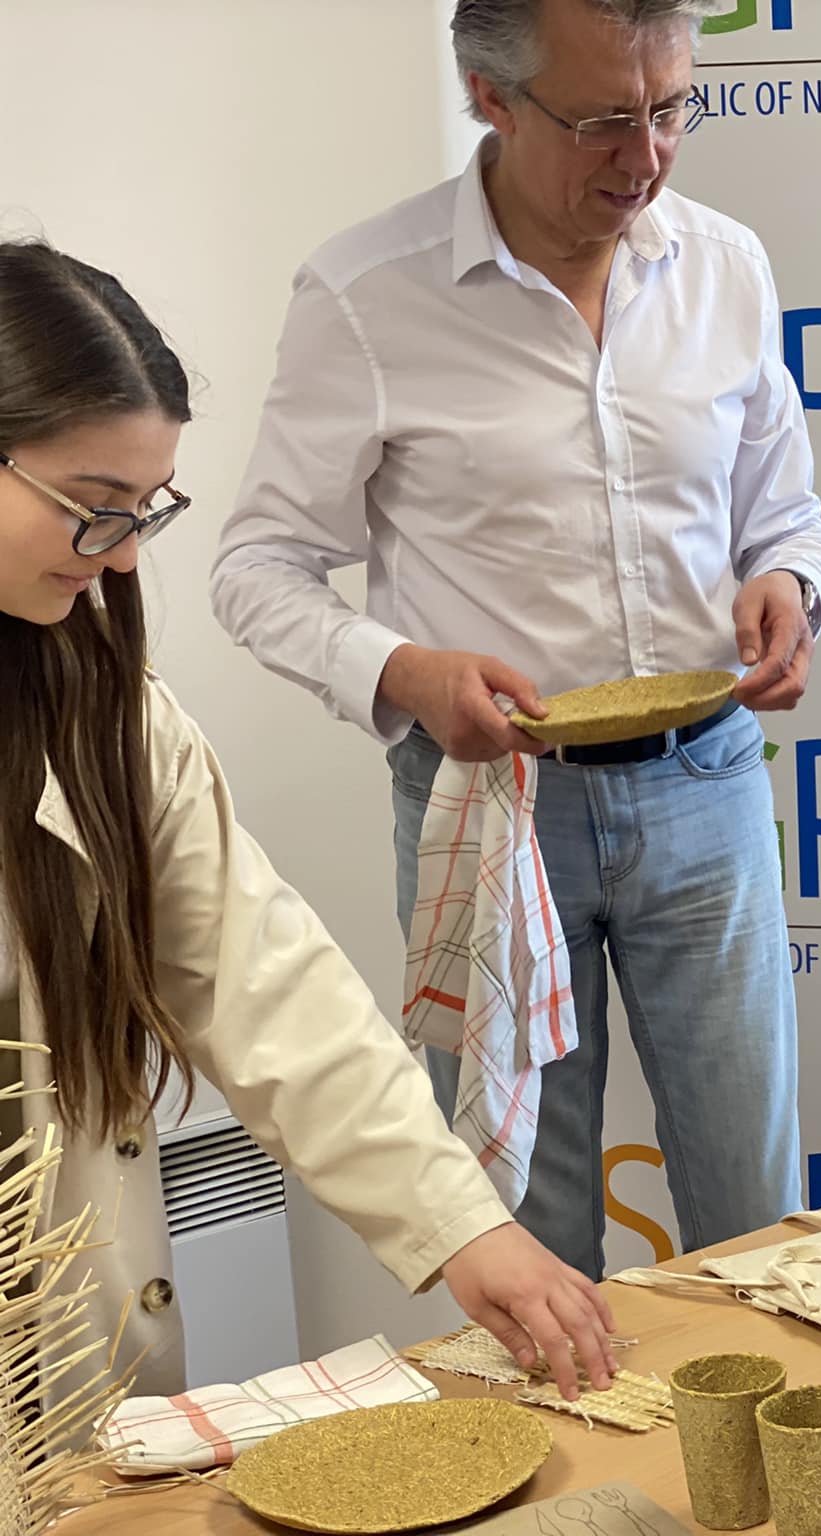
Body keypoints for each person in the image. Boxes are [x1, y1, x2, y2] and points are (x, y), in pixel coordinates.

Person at [211, 0, 821, 1279]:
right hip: (492, 805)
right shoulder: (366, 294)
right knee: (525, 1229)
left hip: (707, 782)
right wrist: (402, 670)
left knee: (759, 1219)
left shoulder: (724, 265)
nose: (646, 156)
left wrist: (789, 580)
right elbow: (254, 569)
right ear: (488, 97)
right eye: (605, 119)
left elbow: (784, 512)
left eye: (671, 109)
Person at [0, 239, 613, 1406]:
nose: (121, 560)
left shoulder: (105, 712)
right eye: (91, 509)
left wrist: (462, 1226)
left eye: (144, 513)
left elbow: (262, 981)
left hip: (55, 1375)